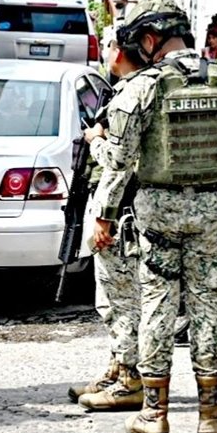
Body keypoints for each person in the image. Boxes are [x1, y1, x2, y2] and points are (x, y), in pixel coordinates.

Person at [83, 0, 217, 433]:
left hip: (157, 213)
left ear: (149, 40)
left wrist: (96, 151)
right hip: (214, 211)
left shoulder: (141, 87)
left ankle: (154, 414)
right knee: (207, 306)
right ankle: (212, 412)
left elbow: (120, 161)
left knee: (157, 306)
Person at [68, 32, 144, 412]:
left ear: (121, 52)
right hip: (119, 207)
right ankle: (117, 368)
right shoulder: (124, 90)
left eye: (110, 46)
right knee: (109, 298)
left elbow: (120, 163)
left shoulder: (132, 95)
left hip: (121, 211)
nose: (105, 52)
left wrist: (95, 139)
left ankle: (130, 378)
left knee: (121, 298)